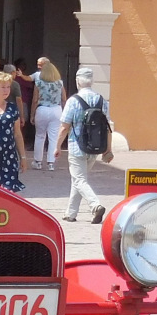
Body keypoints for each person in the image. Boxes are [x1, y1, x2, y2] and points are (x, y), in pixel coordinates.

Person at [55, 66, 111, 223]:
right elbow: (107, 128)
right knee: (79, 179)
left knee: (79, 179)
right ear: (92, 81)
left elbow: (64, 126)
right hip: (95, 147)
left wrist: (57, 146)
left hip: (76, 145)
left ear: (78, 81)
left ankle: (95, 205)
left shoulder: (73, 101)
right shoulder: (101, 100)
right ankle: (70, 213)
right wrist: (108, 149)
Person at [31, 56, 66, 170]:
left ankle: (38, 162)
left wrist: (32, 114)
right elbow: (64, 98)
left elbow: (35, 99)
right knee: (53, 137)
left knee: (40, 136)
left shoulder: (39, 83)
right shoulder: (59, 83)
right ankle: (51, 163)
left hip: (42, 109)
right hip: (56, 110)